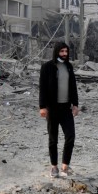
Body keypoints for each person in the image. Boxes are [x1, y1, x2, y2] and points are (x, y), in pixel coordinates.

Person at [39, 42, 79, 178]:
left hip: (66, 108)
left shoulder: (68, 67)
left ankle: (65, 166)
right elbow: (42, 88)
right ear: (56, 52)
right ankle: (54, 167)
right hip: (52, 108)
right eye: (62, 51)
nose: (64, 54)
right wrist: (42, 107)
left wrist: (75, 104)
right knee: (53, 139)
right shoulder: (47, 67)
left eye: (66, 52)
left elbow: (73, 86)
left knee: (70, 136)